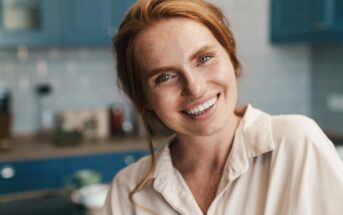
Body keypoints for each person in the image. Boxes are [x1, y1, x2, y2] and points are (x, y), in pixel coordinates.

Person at [103, 0, 343, 214]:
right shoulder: (126, 193)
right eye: (165, 77)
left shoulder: (297, 143)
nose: (195, 88)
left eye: (204, 59)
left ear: (231, 56)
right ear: (143, 98)